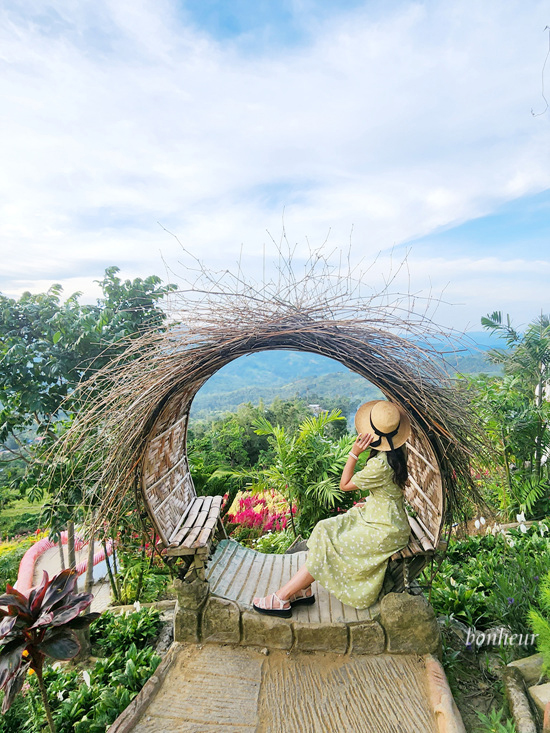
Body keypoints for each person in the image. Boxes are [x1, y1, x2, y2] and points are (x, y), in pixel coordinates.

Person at [252, 399, 412, 617]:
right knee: (324, 528)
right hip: (378, 516)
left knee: (331, 545)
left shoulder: (381, 464)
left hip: (385, 528)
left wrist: (354, 453)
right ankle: (304, 590)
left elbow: (344, 485)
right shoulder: (397, 453)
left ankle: (283, 596)